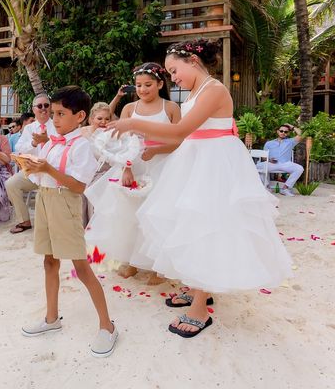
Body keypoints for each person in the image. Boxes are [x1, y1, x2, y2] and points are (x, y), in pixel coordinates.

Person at [108, 39, 292, 338]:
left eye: (174, 70)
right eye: (169, 73)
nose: (173, 77)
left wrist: (133, 125)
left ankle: (199, 308)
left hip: (215, 161)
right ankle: (198, 289)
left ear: (192, 62)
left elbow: (181, 130)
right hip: (196, 158)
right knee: (188, 223)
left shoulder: (215, 89)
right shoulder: (196, 90)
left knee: (207, 224)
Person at [19, 86, 118, 358]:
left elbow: (78, 186)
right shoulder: (51, 141)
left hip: (65, 203)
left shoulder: (82, 145)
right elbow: (43, 174)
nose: (55, 119)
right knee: (49, 261)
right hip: (45, 200)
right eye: (53, 114)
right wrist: (32, 164)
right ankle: (51, 319)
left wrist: (48, 168)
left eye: (61, 114)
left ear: (80, 116)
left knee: (81, 267)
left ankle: (107, 326)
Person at [86, 63, 181, 285]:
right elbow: (121, 142)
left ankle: (158, 267)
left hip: (162, 165)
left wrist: (156, 150)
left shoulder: (171, 108)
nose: (142, 89)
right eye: (138, 85)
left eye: (148, 84)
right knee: (129, 215)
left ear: (159, 84)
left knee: (157, 215)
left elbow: (179, 139)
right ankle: (132, 262)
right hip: (133, 166)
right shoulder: (129, 109)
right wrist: (126, 167)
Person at [6, 95, 57, 233]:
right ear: (34, 109)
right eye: (39, 106)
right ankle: (24, 221)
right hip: (33, 171)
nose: (43, 109)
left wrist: (47, 141)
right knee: (11, 184)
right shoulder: (29, 128)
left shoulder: (57, 125)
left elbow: (63, 148)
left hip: (52, 171)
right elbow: (19, 148)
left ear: (51, 107)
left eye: (46, 105)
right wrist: (34, 143)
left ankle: (51, 223)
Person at [262, 124, 304, 196]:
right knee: (256, 167)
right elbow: (263, 157)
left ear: (288, 133)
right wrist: (269, 160)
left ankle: (285, 188)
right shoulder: (269, 143)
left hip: (285, 163)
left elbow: (301, 134)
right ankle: (267, 187)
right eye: (281, 131)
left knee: (299, 168)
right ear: (278, 132)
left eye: (286, 132)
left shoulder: (291, 141)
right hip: (272, 164)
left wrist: (291, 126)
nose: (283, 133)